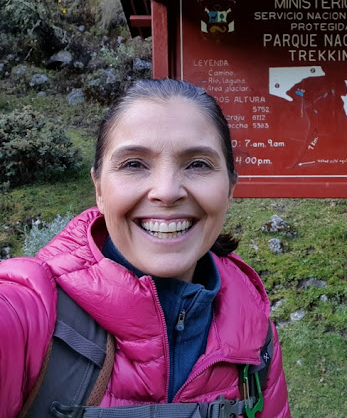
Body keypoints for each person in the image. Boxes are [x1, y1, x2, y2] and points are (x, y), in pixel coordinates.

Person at [0, 79, 291, 417]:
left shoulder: (254, 329)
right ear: (99, 189)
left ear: (229, 188)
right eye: (134, 164)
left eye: (198, 164)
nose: (167, 192)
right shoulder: (27, 314)